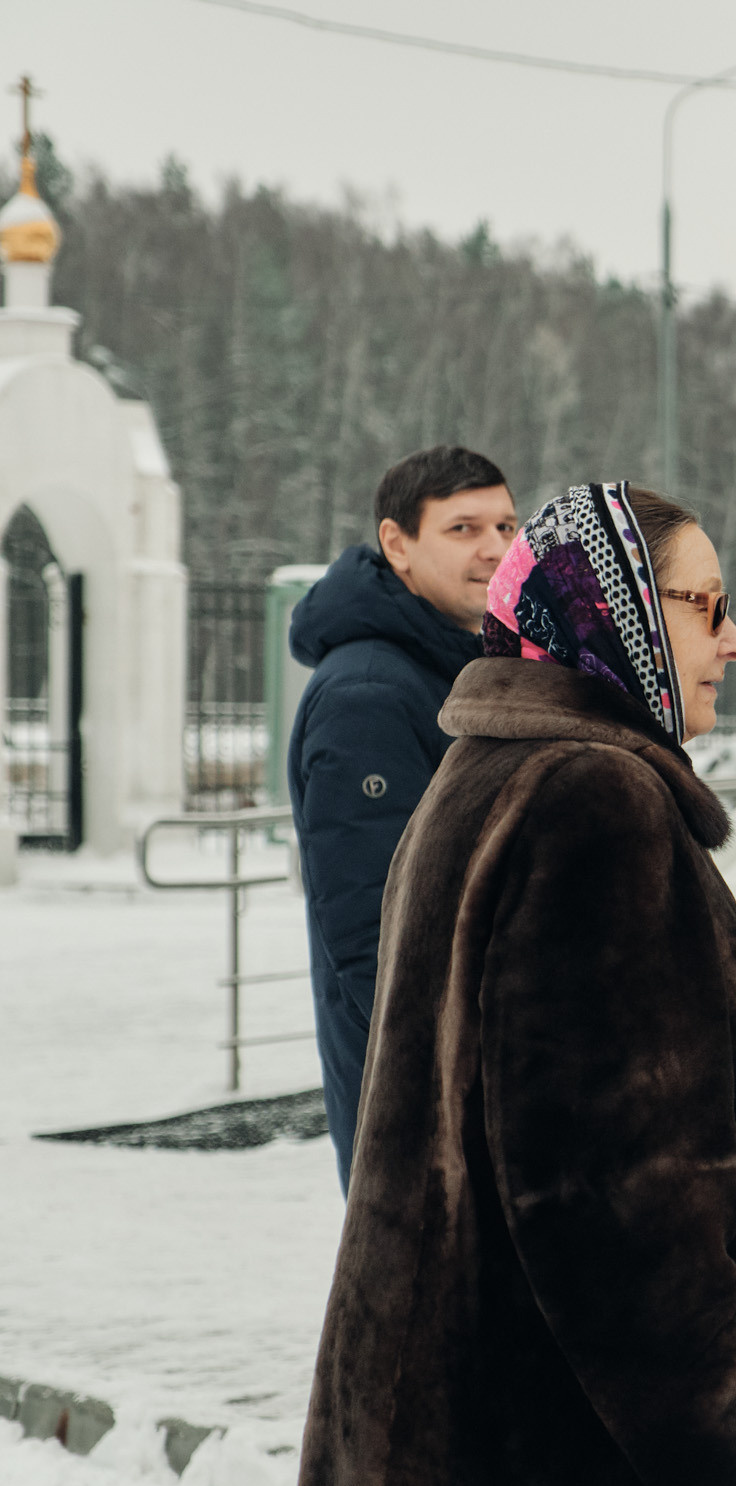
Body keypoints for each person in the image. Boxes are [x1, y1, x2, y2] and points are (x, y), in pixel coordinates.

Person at [285, 483, 736, 1486]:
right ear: (620, 614)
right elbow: (613, 1190)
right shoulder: (593, 798)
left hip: (470, 1457)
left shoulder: (490, 773)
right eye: (706, 604)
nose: (734, 638)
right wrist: (735, 1442)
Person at [287, 445, 515, 1191]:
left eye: (508, 526)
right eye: (463, 528)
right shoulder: (368, 694)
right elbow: (377, 933)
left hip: (475, 1075)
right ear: (397, 544)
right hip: (423, 1099)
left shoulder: (462, 665)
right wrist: (444, 1082)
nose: (496, 548)